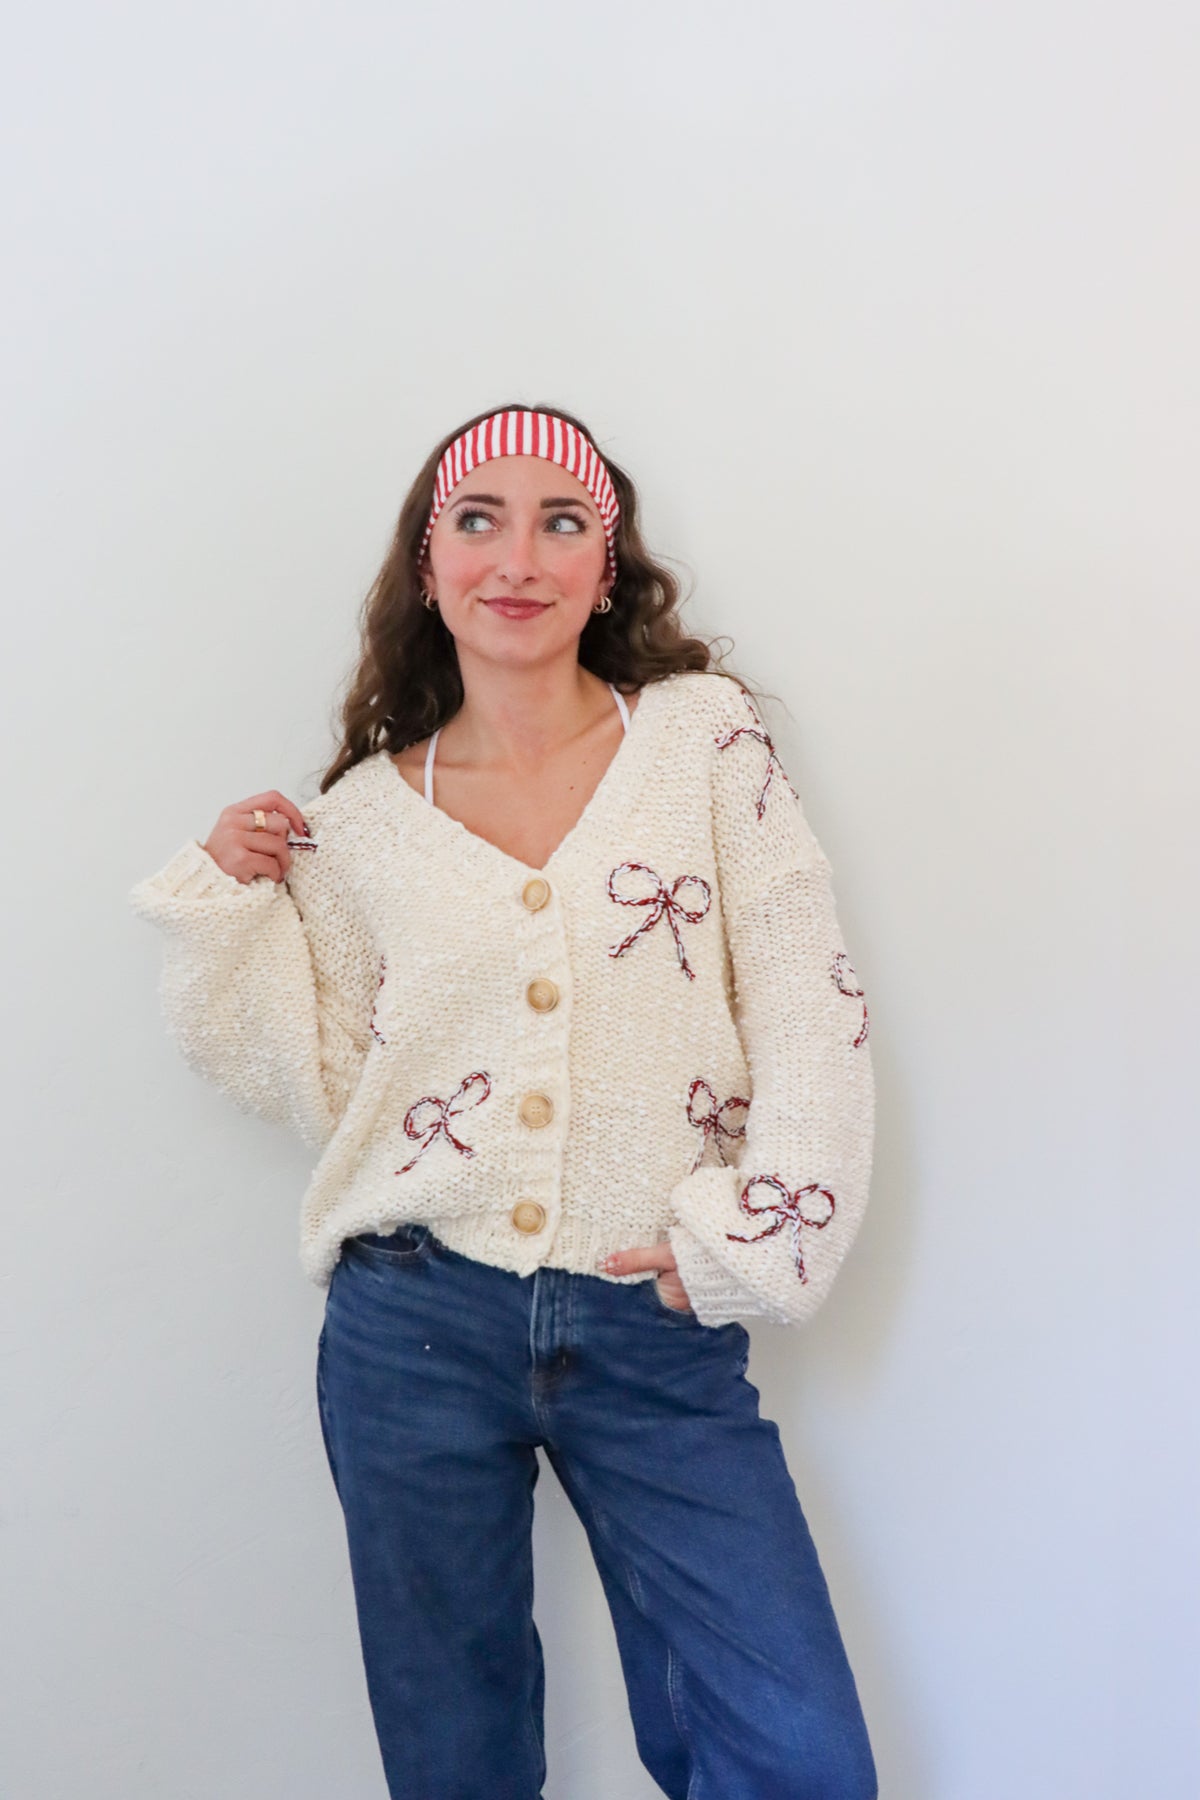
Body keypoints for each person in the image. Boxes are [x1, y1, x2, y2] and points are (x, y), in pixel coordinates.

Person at [128, 402, 879, 1799]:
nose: (515, 557)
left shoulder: (704, 744)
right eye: (477, 521)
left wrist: (757, 1239)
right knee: (456, 1765)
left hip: (651, 1315)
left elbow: (805, 996)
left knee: (798, 1760)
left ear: (609, 567)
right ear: (428, 568)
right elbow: (333, 1082)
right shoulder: (357, 822)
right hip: (412, 1326)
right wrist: (235, 908)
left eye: (561, 522)